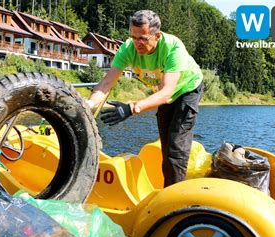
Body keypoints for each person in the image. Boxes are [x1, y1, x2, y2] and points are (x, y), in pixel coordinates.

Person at [86, 10, 204, 187]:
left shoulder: (173, 48)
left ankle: (174, 202)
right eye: (134, 37)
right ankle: (168, 190)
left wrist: (131, 108)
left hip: (187, 89)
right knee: (166, 147)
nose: (137, 43)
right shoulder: (127, 49)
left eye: (143, 38)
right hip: (164, 94)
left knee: (175, 149)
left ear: (157, 36)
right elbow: (105, 84)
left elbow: (167, 93)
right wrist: (86, 105)